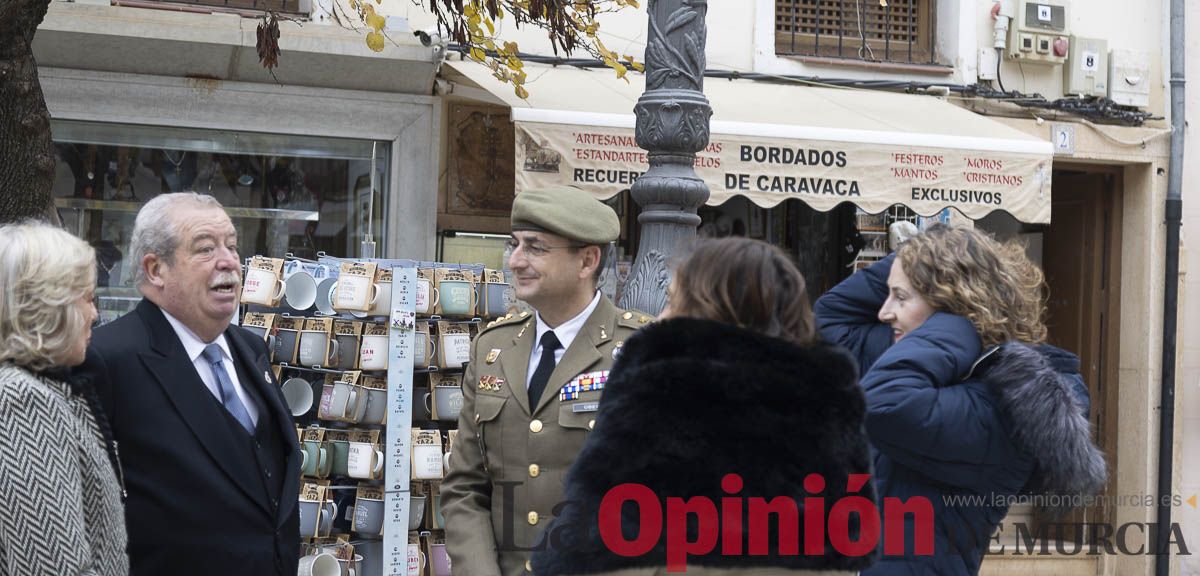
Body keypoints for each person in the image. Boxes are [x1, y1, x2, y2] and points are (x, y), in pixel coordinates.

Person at [531, 237, 876, 576]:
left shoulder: (656, 411)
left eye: (672, 302)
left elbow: (588, 550)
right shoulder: (828, 419)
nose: (660, 318)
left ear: (705, 316)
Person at [815, 223, 1106, 575]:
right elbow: (830, 320)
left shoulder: (1005, 408)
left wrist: (954, 306)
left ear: (949, 309)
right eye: (888, 294)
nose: (883, 312)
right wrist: (918, 254)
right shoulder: (938, 366)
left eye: (901, 297)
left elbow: (885, 404)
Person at [75, 193, 301, 576]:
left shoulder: (251, 349)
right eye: (205, 249)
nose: (229, 261)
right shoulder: (107, 359)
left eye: (232, 245)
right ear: (156, 269)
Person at [442, 185, 653, 576]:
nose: (516, 261)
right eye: (515, 245)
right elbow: (465, 490)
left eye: (536, 248)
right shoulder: (493, 348)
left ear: (587, 260)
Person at [0, 223, 128, 576]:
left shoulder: (45, 386)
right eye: (87, 298)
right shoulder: (22, 400)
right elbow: (52, 567)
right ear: (46, 306)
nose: (95, 314)